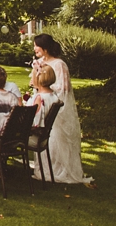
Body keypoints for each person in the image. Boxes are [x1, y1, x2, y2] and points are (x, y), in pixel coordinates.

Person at [31, 33, 91, 184]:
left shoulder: (59, 64)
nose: (34, 49)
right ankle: (44, 168)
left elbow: (64, 88)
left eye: (36, 46)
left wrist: (45, 83)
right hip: (42, 103)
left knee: (57, 138)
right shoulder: (38, 62)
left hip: (55, 107)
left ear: (44, 48)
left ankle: (60, 169)